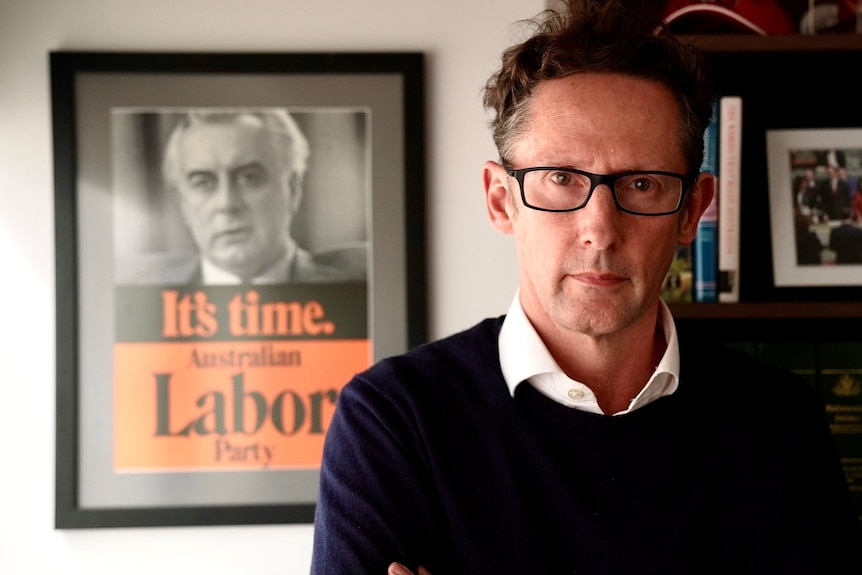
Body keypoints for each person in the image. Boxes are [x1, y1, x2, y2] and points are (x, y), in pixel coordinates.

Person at [310, 1, 861, 573]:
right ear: (502, 201)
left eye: (643, 183)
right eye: (561, 178)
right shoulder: (393, 420)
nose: (599, 229)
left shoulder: (777, 421)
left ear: (692, 211)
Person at [117, 109, 366, 285]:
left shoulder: (361, 281)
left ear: (292, 189)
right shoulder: (132, 288)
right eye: (203, 183)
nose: (227, 204)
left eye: (249, 178)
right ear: (182, 202)